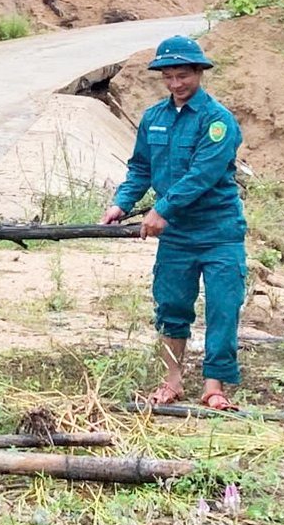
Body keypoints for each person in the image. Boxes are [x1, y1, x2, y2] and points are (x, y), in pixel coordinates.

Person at [103, 35, 247, 411]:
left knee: (223, 306)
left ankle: (214, 386)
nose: (176, 84)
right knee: (171, 305)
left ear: (199, 72)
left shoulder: (218, 122)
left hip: (220, 231)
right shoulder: (154, 119)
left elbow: (202, 174)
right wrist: (122, 203)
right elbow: (141, 168)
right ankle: (172, 381)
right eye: (168, 77)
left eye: (183, 76)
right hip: (177, 236)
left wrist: (161, 209)